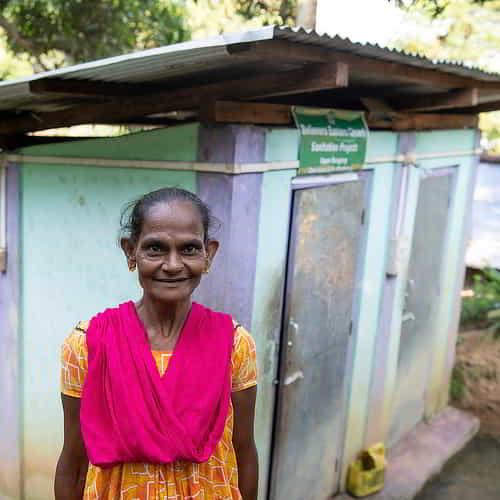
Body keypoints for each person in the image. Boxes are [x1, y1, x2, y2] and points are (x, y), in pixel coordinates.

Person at [55, 187, 258, 500]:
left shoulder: (234, 344)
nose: (173, 264)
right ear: (130, 252)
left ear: (209, 254)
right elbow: (74, 457)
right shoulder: (88, 345)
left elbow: (243, 450)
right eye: (155, 249)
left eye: (189, 249)